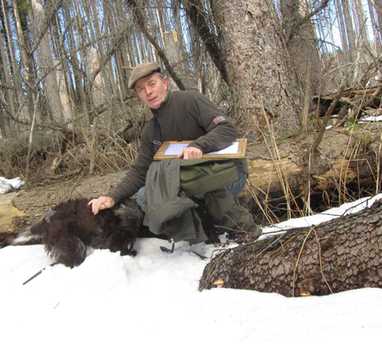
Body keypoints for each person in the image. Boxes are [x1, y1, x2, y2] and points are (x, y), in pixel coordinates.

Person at [88, 62, 260, 243]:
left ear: (165, 82)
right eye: (141, 89)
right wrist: (112, 197)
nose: (148, 92)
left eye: (152, 84)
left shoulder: (190, 100)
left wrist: (199, 146)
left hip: (230, 175)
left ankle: (243, 227)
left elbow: (227, 129)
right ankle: (198, 230)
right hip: (190, 183)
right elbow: (140, 171)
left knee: (197, 186)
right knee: (144, 195)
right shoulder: (151, 130)